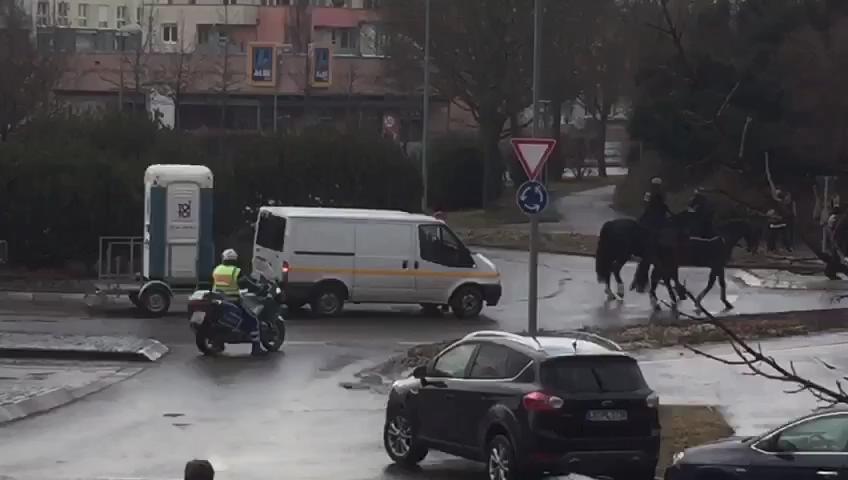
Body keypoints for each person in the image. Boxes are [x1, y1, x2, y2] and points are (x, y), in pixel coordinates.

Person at [212, 248, 263, 356]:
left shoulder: (217, 269)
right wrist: (258, 288)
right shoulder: (235, 271)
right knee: (253, 320)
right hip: (233, 301)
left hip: (218, 300)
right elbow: (246, 284)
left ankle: (217, 343)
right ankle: (256, 348)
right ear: (235, 260)